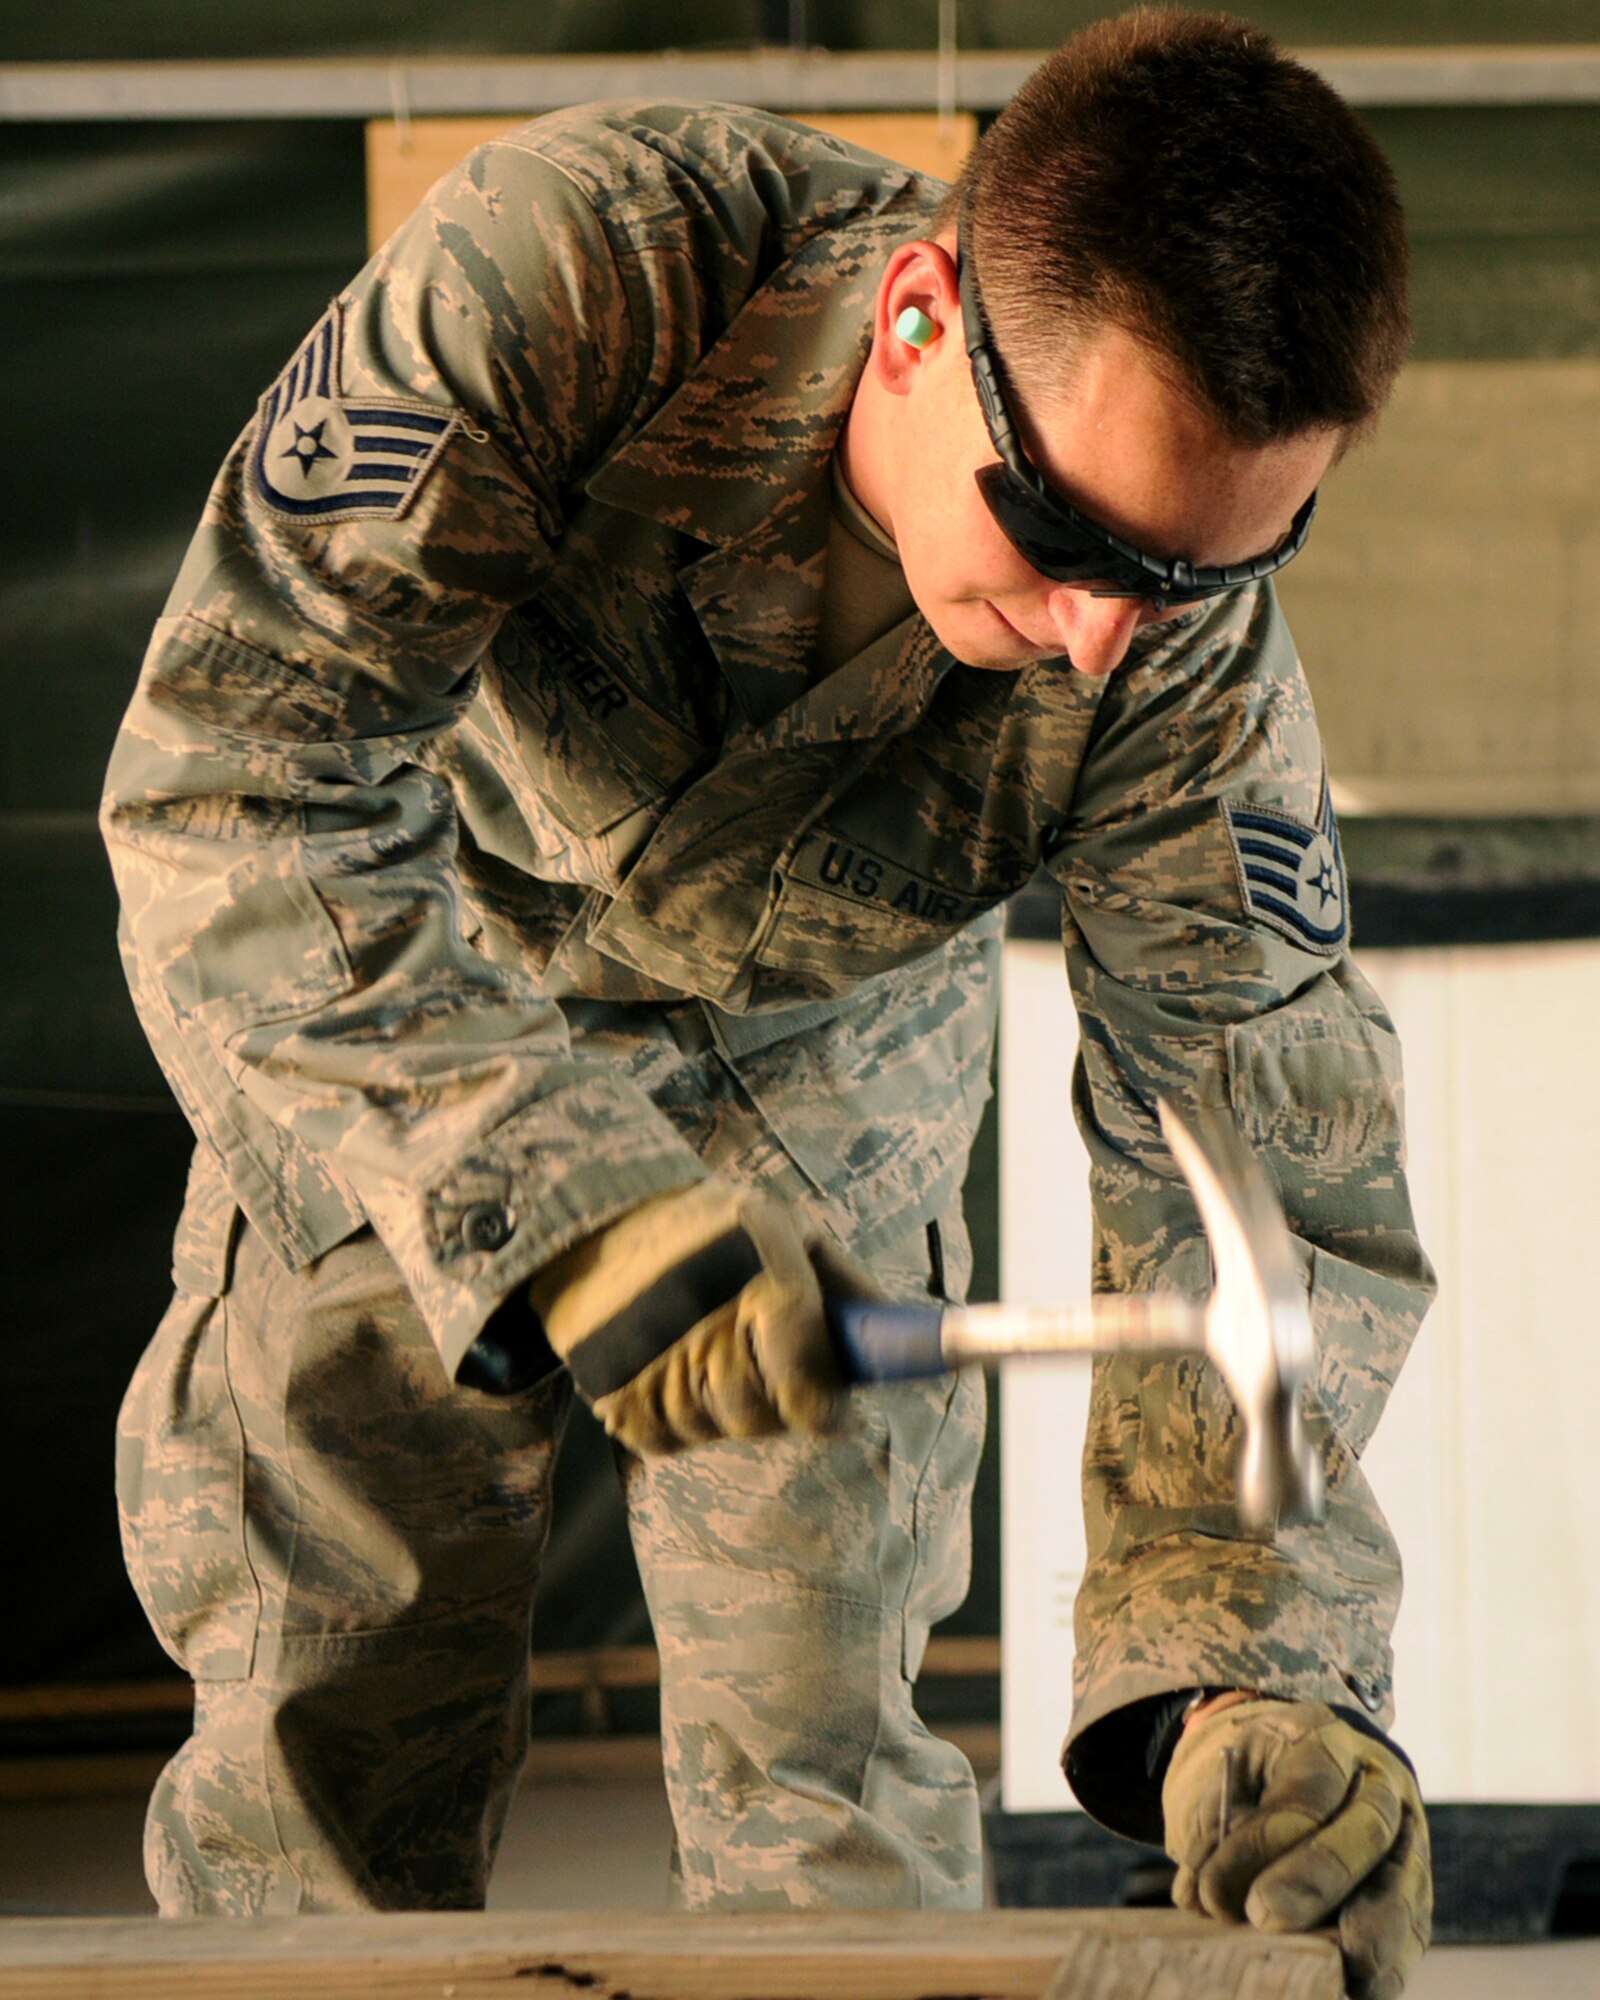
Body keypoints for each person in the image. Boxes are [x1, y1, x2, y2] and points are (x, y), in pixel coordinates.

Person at [102, 8, 1435, 1995]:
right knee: (318, 1764)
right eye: (1060, 532)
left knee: (833, 1810)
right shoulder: (576, 267)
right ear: (918, 317)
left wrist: (1255, 1687)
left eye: (1187, 568)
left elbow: (1257, 1182)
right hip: (410, 995)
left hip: (827, 1065)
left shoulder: (1179, 664)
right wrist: (559, 1197)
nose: (1093, 638)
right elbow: (235, 786)